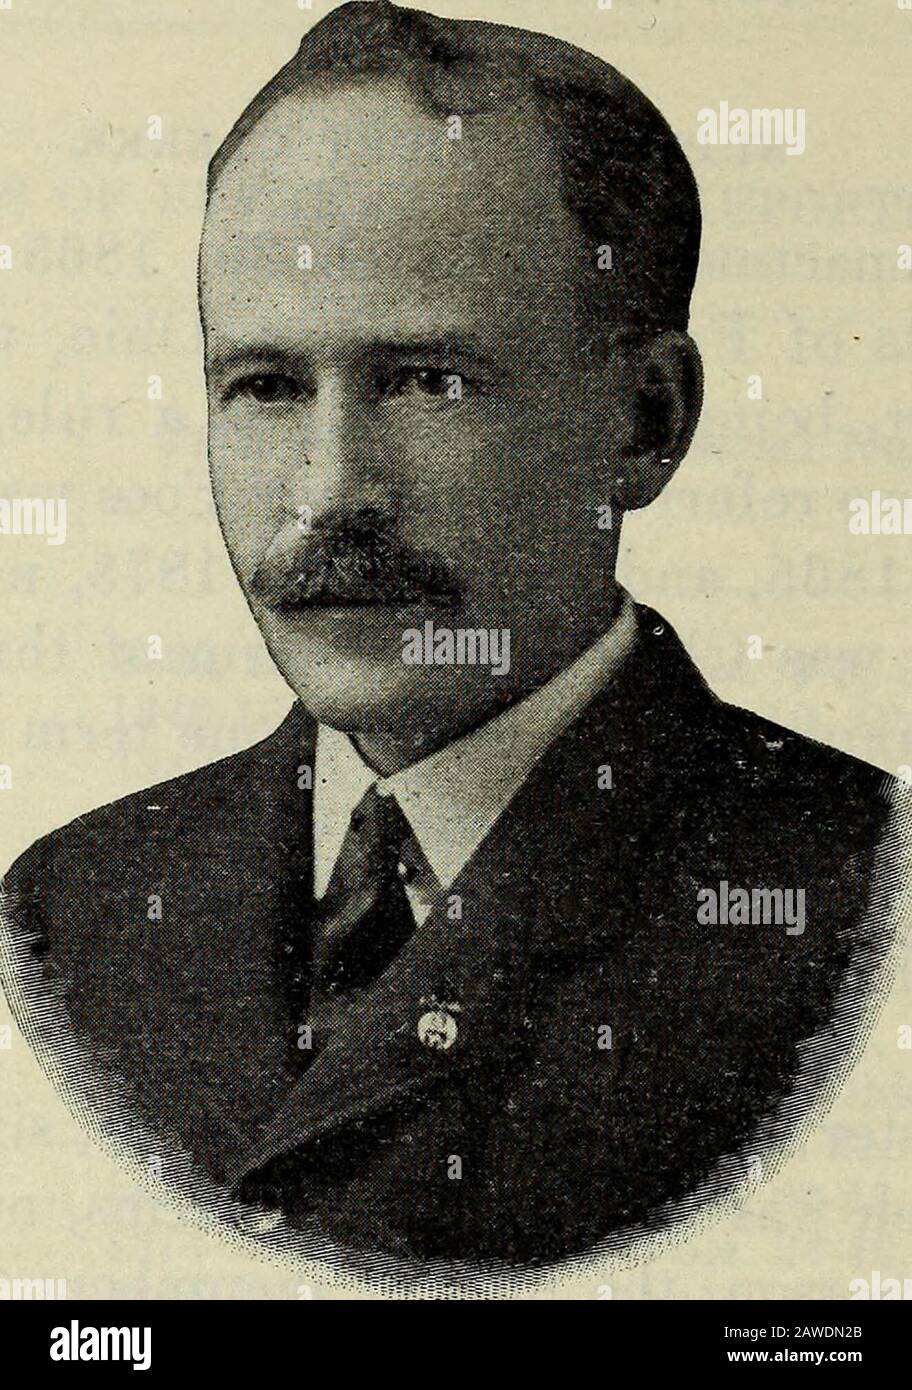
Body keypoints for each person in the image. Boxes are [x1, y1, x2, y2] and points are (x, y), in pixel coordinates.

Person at [1, 0, 905, 1270]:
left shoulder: (864, 905)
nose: (328, 493)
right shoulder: (69, 911)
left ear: (646, 422)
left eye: (430, 382)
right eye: (266, 386)